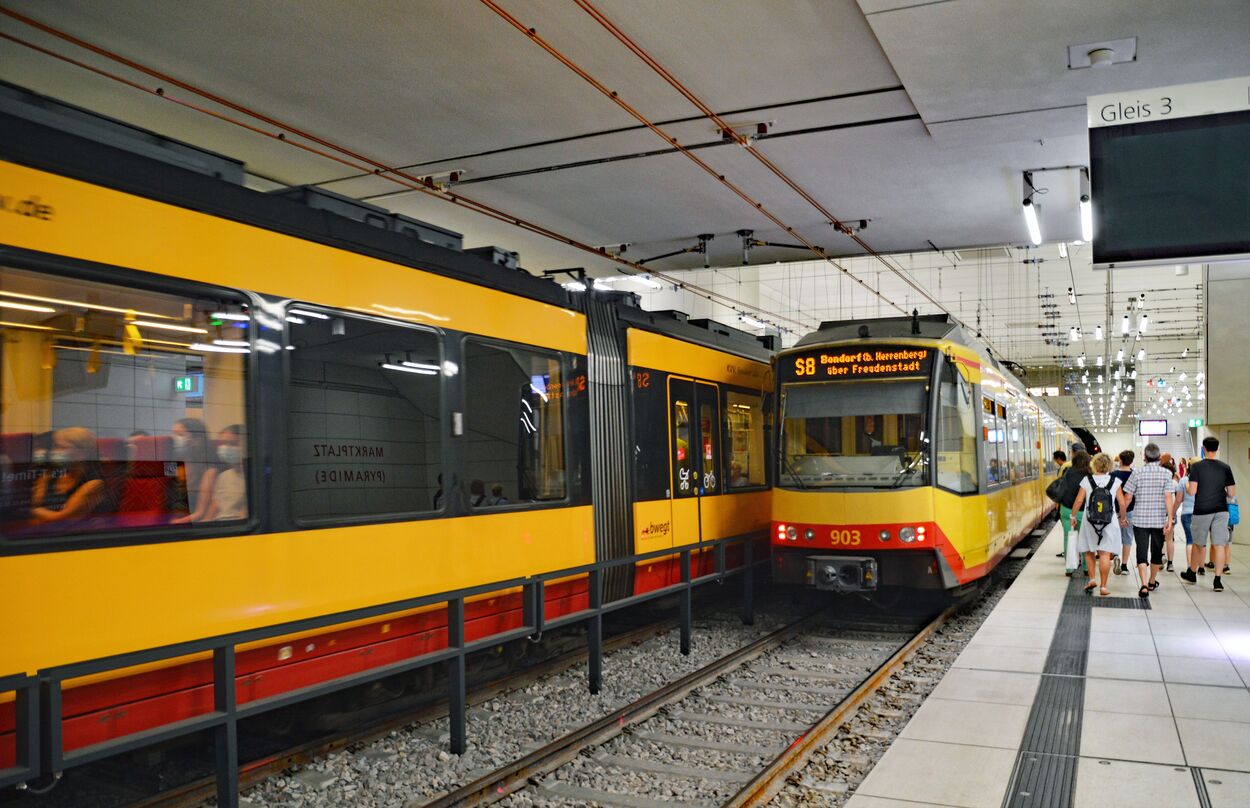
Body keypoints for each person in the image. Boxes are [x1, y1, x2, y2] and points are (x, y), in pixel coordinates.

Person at [1118, 442, 1174, 597]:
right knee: (1156, 552)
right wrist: (1170, 519)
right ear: (1159, 456)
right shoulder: (1167, 474)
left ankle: (1143, 585)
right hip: (1158, 520)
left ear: (1144, 457)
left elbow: (1127, 498)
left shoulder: (1137, 473)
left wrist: (1122, 516)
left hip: (1140, 520)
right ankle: (1151, 581)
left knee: (1141, 551)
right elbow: (1168, 497)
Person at [1182, 437, 1236, 591]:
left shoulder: (1197, 467)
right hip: (1221, 510)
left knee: (1198, 544)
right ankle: (1217, 580)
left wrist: (1187, 487)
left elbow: (1192, 491)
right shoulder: (1225, 467)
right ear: (1217, 449)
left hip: (1202, 510)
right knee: (1219, 545)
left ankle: (1192, 573)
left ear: (1204, 449)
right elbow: (1231, 493)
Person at [30, 427, 105, 525]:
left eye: (62, 447)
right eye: (55, 447)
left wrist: (33, 512)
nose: (55, 452)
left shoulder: (94, 484)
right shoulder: (50, 475)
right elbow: (33, 504)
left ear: (82, 454)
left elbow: (62, 520)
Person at [1071, 453, 1122, 596]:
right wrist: (1122, 517)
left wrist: (1073, 516)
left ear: (1094, 464)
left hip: (1090, 521)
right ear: (1109, 465)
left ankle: (1092, 579)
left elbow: (1079, 501)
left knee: (1089, 550)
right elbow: (1122, 503)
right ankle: (1104, 587)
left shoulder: (1086, 480)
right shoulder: (1115, 481)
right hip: (1109, 521)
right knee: (1105, 553)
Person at [169, 417, 217, 524]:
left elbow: (199, 513)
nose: (174, 439)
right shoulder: (173, 462)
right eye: (173, 434)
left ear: (197, 440)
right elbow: (166, 489)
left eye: (180, 435)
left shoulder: (208, 470)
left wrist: (174, 523)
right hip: (171, 514)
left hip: (189, 521)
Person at [1058, 451, 1091, 574]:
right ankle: (1086, 568)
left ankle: (1069, 568)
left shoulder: (1067, 472)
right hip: (1082, 511)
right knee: (1085, 538)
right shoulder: (1089, 474)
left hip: (1066, 509)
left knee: (1068, 537)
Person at [207, 424, 247, 522]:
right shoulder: (223, 476)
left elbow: (244, 517)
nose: (226, 448)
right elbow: (214, 506)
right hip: (217, 524)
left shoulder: (252, 478)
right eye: (223, 443)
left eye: (233, 443)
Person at [1108, 450, 1135, 575]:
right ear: (1132, 461)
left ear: (1121, 461)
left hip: (1114, 511)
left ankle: (1115, 556)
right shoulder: (1135, 475)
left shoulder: (1112, 475)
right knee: (1127, 538)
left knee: (1114, 536)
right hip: (1130, 510)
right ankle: (1124, 566)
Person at [1159, 454, 1179, 571]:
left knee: (1159, 538)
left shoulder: (1159, 482)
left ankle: (1160, 558)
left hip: (1160, 513)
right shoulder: (1175, 483)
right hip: (1171, 513)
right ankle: (1170, 563)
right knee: (1169, 538)